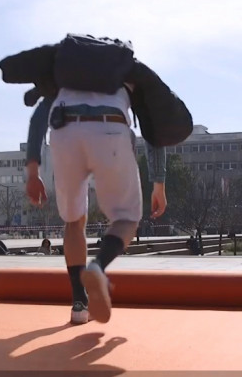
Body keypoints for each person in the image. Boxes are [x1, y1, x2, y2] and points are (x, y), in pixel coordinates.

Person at [24, 79, 168, 325]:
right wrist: (159, 183)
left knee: (73, 221)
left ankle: (79, 304)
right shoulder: (126, 71)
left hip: (64, 131)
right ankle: (98, 266)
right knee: (127, 219)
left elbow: (38, 117)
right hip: (110, 128)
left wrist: (33, 171)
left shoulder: (67, 71)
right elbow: (152, 128)